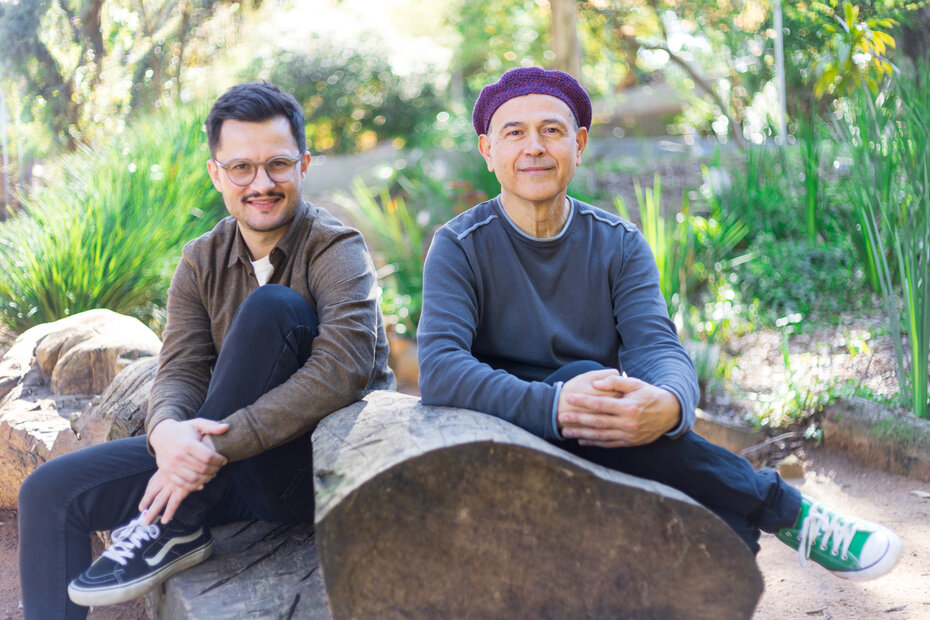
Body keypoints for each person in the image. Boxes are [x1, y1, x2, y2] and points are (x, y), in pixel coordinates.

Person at [417, 66, 901, 581]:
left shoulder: (618, 243)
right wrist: (559, 404)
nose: (534, 147)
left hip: (606, 441)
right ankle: (784, 509)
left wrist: (670, 404)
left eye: (552, 131)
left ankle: (744, 530)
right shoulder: (460, 246)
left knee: (726, 529)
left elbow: (655, 346)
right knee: (583, 373)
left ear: (578, 145)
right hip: (495, 441)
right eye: (514, 133)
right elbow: (441, 369)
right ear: (488, 152)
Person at [18, 82, 395, 619]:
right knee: (50, 492)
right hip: (217, 463)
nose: (261, 183)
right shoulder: (201, 258)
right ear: (217, 173)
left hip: (313, 473)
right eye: (241, 167)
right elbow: (181, 367)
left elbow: (343, 370)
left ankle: (173, 522)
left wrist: (206, 451)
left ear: (304, 165)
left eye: (278, 165)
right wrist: (168, 431)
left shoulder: (337, 249)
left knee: (273, 309)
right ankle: (177, 515)